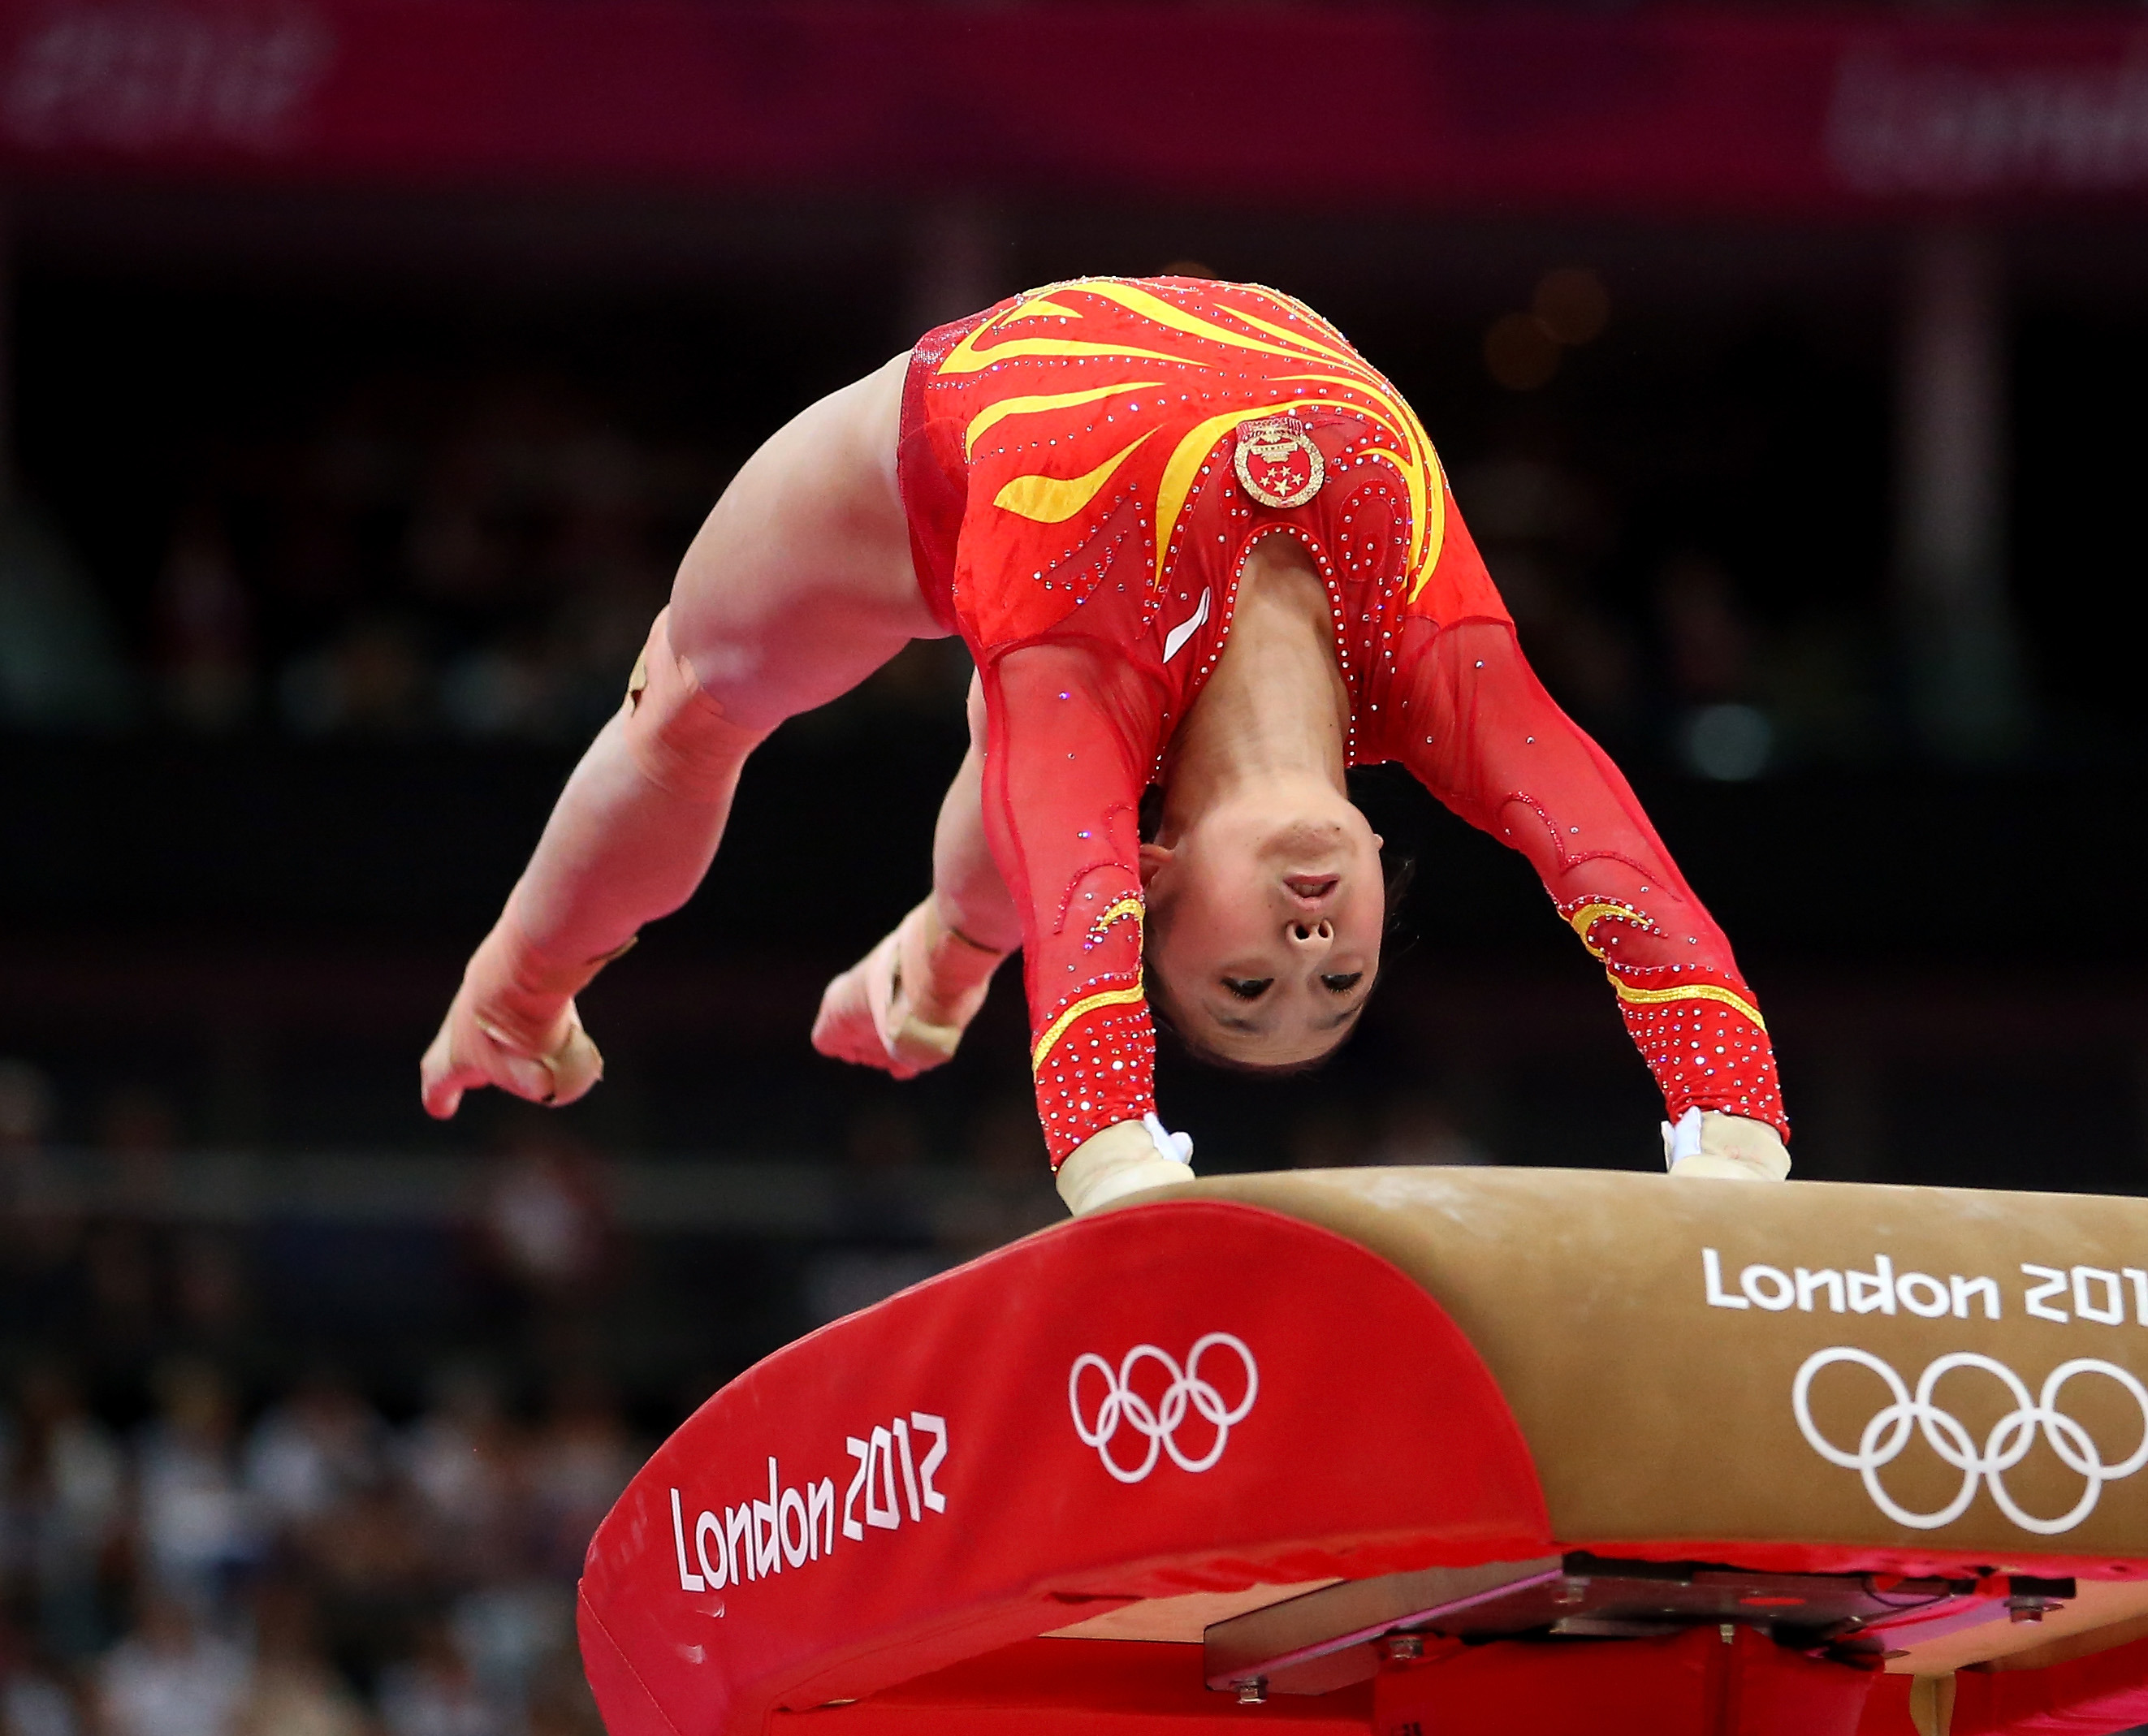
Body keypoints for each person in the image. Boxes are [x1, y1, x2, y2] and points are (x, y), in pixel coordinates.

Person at [419, 276, 1790, 1211]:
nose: (1307, 953)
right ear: (1381, 860)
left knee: (692, 711)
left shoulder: (1085, 719)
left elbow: (1079, 904)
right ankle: (937, 962)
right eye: (1339, 972)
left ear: (1160, 870)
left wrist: (1117, 1163)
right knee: (977, 775)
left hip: (945, 464)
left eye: (1246, 982)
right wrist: (1735, 1128)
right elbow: (1617, 869)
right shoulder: (1432, 673)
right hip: (1145, 450)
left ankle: (514, 988)